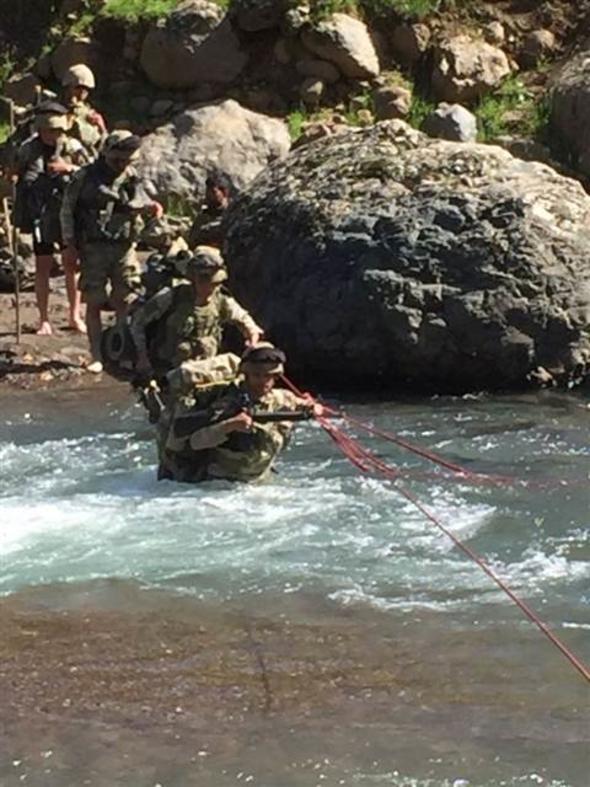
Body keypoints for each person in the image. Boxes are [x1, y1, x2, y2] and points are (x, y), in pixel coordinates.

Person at [61, 129, 163, 373]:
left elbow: (139, 202)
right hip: (93, 247)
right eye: (118, 159)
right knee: (94, 300)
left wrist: (152, 209)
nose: (122, 165)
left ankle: (122, 351)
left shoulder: (131, 177)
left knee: (125, 299)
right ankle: (96, 355)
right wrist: (69, 245)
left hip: (124, 247)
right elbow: (67, 210)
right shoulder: (85, 177)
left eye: (128, 160)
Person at [160, 343, 323, 483]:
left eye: (268, 376)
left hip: (257, 481)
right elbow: (195, 442)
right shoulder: (228, 403)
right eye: (257, 375)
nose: (263, 381)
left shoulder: (282, 398)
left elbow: (307, 406)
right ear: (246, 375)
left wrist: (313, 407)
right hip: (220, 484)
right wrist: (229, 426)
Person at [129, 245, 262, 378]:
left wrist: (252, 338)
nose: (210, 287)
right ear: (193, 278)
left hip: (204, 370)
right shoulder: (172, 296)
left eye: (215, 283)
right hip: (169, 372)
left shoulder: (221, 300)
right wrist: (142, 357)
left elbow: (244, 319)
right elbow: (138, 322)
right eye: (204, 281)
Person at [13, 103, 89, 334]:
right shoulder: (27, 149)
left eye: (56, 131)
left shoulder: (72, 147)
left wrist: (68, 168)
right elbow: (13, 172)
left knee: (71, 264)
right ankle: (43, 319)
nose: (52, 136)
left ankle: (74, 315)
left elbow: (92, 172)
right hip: (40, 215)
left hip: (69, 214)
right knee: (43, 265)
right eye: (48, 131)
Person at [61, 64, 107, 158]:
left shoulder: (87, 110)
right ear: (68, 86)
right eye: (78, 87)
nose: (83, 92)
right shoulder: (55, 109)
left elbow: (103, 143)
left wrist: (101, 127)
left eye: (86, 89)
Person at [187, 170, 232, 249]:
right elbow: (192, 240)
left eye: (213, 192)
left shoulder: (233, 213)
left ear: (224, 192)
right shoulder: (203, 216)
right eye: (207, 192)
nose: (209, 196)